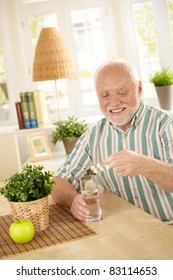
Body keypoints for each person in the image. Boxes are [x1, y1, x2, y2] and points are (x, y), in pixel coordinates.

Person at [51, 60, 173, 224]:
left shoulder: (166, 124)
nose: (114, 102)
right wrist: (73, 201)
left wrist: (143, 164)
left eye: (122, 92)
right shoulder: (93, 136)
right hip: (126, 232)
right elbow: (58, 182)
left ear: (139, 89)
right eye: (105, 95)